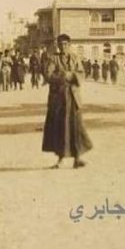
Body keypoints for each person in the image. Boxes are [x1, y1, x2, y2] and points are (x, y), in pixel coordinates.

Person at [42, 34, 92, 169]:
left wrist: (73, 75)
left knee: (75, 127)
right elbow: (48, 75)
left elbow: (82, 74)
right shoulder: (53, 59)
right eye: (60, 44)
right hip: (58, 99)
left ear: (69, 45)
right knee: (60, 127)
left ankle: (77, 158)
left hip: (73, 97)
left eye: (65, 44)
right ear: (57, 46)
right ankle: (61, 159)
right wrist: (63, 76)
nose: (63, 47)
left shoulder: (75, 58)